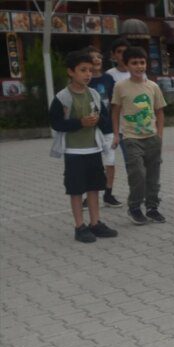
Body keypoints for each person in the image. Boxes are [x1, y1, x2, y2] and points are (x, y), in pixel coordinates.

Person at [49, 50, 118, 243]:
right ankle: (80, 226)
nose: (88, 74)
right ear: (71, 72)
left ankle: (95, 223)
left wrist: (99, 122)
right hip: (73, 152)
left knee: (94, 188)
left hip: (93, 149)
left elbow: (104, 120)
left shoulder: (94, 94)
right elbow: (56, 123)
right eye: (83, 70)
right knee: (76, 189)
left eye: (90, 70)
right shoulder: (62, 97)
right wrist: (80, 122)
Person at [111, 47, 168, 225]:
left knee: (153, 176)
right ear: (126, 65)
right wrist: (115, 134)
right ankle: (134, 207)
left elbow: (159, 112)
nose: (139, 66)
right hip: (130, 138)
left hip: (151, 137)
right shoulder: (120, 87)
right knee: (137, 174)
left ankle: (152, 208)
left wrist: (159, 135)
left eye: (142, 62)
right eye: (134, 63)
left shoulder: (153, 87)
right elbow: (115, 111)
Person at [82, 46, 122, 208]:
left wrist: (116, 130)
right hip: (90, 128)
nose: (97, 59)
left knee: (110, 162)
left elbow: (115, 105)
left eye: (99, 56)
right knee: (92, 163)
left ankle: (108, 193)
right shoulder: (85, 80)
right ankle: (88, 196)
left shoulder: (108, 79)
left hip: (108, 127)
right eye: (93, 57)